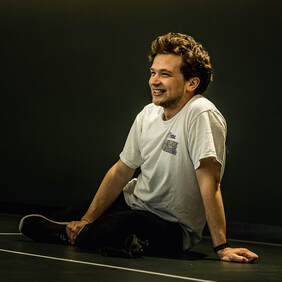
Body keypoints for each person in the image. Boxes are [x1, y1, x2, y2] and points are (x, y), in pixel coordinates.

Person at [19, 32, 258, 262]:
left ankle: (91, 235)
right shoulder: (148, 114)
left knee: (115, 227)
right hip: (134, 203)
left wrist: (222, 247)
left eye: (164, 74)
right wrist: (86, 218)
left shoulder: (200, 113)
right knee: (70, 216)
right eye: (153, 72)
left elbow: (210, 183)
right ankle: (81, 232)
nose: (154, 80)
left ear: (191, 83)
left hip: (172, 226)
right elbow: (122, 170)